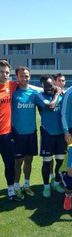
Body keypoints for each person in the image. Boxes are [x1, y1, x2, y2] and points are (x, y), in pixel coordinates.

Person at [36, 75, 66, 198]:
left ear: (54, 83)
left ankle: (57, 183)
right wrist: (57, 94)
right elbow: (50, 106)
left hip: (60, 134)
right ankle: (46, 187)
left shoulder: (62, 94)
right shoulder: (39, 96)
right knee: (47, 162)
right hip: (47, 134)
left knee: (60, 161)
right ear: (42, 85)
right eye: (46, 85)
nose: (49, 87)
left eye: (50, 85)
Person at [12, 66, 39, 199]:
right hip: (17, 134)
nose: (25, 78)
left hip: (31, 133)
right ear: (17, 77)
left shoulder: (34, 93)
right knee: (18, 163)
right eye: (22, 76)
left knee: (29, 160)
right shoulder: (13, 92)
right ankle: (16, 187)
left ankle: (26, 185)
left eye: (27, 76)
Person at [0, 59, 18, 200]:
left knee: (10, 163)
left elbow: (27, 85)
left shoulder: (10, 85)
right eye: (1, 72)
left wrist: (56, 88)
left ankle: (11, 190)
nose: (4, 75)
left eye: (6, 72)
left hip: (6, 135)